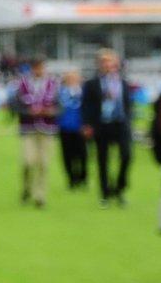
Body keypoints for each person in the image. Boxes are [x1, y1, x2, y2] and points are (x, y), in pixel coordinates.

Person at [81, 51, 134, 207]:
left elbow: (128, 103)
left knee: (126, 155)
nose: (108, 65)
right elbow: (86, 106)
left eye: (111, 62)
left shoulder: (123, 83)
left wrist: (129, 120)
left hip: (120, 123)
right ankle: (105, 193)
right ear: (100, 64)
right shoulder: (92, 84)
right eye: (104, 62)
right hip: (102, 124)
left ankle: (120, 187)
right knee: (102, 160)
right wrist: (87, 125)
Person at [11, 60, 59, 207]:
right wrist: (28, 111)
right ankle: (26, 188)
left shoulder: (53, 84)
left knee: (43, 163)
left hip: (47, 128)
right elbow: (16, 106)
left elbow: (60, 106)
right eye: (36, 68)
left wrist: (51, 111)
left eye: (41, 67)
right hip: (28, 128)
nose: (39, 70)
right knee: (28, 162)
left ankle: (40, 196)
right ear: (32, 69)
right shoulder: (23, 84)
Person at [56, 68, 87, 190]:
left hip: (80, 127)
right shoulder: (60, 92)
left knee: (82, 154)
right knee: (67, 155)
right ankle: (71, 179)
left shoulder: (84, 92)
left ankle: (83, 177)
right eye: (70, 78)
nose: (72, 80)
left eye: (74, 78)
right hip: (65, 127)